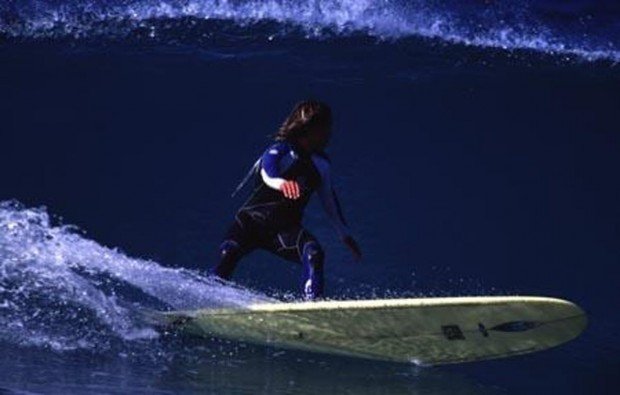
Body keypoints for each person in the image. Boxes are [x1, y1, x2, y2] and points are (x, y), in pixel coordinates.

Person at [210, 100, 362, 300]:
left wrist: (345, 235)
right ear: (310, 128)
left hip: (284, 230)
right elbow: (267, 171)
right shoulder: (280, 150)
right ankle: (203, 301)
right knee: (228, 253)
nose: (329, 133)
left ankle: (312, 306)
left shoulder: (322, 164)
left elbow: (329, 201)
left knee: (314, 253)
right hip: (251, 222)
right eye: (326, 128)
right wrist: (282, 183)